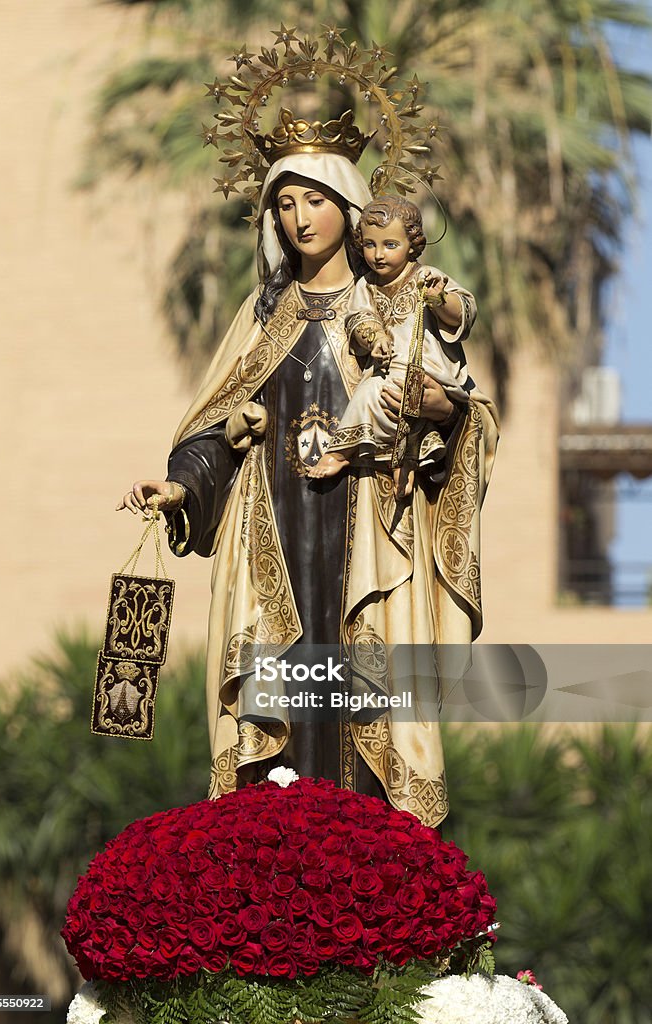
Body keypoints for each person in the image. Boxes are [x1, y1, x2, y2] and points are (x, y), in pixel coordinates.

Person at [117, 108, 499, 827]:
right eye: (283, 202)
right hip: (278, 537)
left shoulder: (391, 306)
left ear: (350, 207)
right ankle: (279, 852)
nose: (298, 217)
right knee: (280, 712)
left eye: (314, 199)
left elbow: (465, 415)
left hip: (368, 550)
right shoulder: (263, 317)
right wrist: (178, 485)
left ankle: (360, 852)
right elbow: (212, 429)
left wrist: (442, 413)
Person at [308, 196, 474, 498]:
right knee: (372, 395)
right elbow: (359, 318)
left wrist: (438, 300)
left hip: (425, 367)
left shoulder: (425, 277)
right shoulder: (366, 285)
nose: (378, 255)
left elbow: (462, 312)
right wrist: (375, 338)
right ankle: (379, 456)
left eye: (390, 245)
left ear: (412, 244)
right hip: (387, 367)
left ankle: (403, 458)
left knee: (408, 397)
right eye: (370, 245)